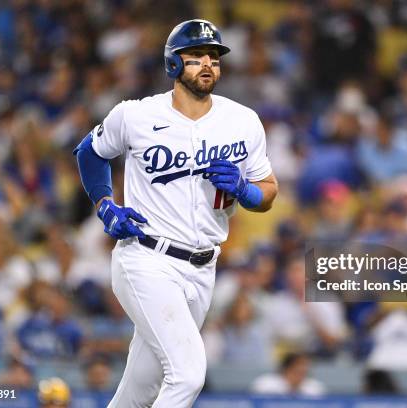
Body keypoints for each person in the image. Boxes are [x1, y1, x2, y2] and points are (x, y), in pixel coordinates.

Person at [73, 19, 277, 408]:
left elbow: (268, 192)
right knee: (187, 374)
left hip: (203, 269)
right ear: (172, 64)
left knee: (142, 388)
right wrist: (103, 205)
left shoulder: (243, 120)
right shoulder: (135, 115)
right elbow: (89, 152)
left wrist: (243, 189)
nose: (207, 64)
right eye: (196, 55)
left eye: (214, 57)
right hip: (147, 258)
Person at [250, 352, 326, 397]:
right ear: (286, 368)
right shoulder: (265, 384)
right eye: (297, 370)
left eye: (304, 371)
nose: (301, 373)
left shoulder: (315, 388)